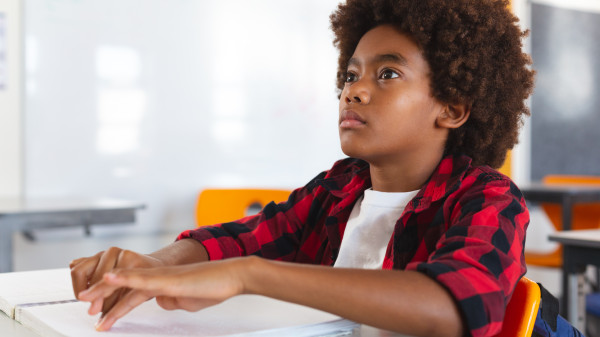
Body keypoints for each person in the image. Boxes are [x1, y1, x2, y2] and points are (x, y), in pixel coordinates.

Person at [71, 0, 535, 336]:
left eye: (387, 74)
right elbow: (240, 238)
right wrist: (153, 268)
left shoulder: (488, 198)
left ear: (452, 108)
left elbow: (455, 309)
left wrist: (248, 275)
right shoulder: (338, 188)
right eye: (350, 75)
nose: (353, 91)